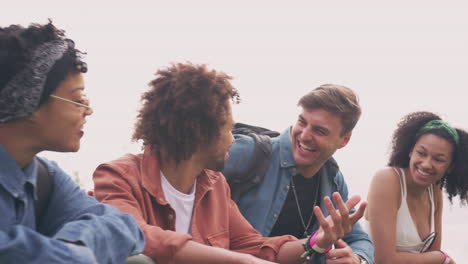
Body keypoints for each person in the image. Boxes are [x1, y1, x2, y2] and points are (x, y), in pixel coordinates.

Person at [93, 63, 366, 264]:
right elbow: (137, 236)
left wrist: (316, 243)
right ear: (201, 133)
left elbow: (257, 247)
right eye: (227, 128)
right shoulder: (117, 176)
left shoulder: (215, 186)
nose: (233, 138)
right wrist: (239, 261)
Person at [0, 21, 145, 263]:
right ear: (28, 101)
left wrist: (74, 245)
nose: (88, 110)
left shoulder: (44, 176)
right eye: (78, 100)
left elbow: (123, 226)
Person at [223, 84, 374, 264]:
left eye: (320, 131)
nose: (304, 136)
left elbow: (359, 239)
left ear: (344, 140)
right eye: (302, 122)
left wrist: (357, 259)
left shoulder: (333, 179)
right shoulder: (248, 151)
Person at [363, 111, 468, 264]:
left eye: (439, 159)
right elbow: (384, 260)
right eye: (421, 153)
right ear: (411, 151)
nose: (426, 164)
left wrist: (440, 258)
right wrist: (441, 258)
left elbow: (432, 256)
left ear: (450, 166)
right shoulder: (387, 180)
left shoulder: (435, 190)